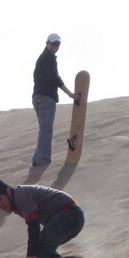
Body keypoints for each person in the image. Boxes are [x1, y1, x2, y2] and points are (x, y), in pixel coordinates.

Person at [0, 179, 84, 258]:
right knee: (43, 248)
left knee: (38, 250)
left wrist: (31, 254)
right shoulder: (15, 200)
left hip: (69, 215)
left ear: (8, 191)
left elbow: (33, 225)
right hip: (68, 218)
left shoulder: (20, 195)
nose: (0, 205)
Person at [31, 33, 76, 166]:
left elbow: (37, 77)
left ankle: (36, 159)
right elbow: (55, 78)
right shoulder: (48, 58)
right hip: (45, 98)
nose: (54, 46)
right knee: (46, 129)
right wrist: (70, 94)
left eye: (57, 44)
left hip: (38, 97)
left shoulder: (42, 58)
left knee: (44, 129)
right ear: (47, 43)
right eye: (52, 43)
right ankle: (43, 159)